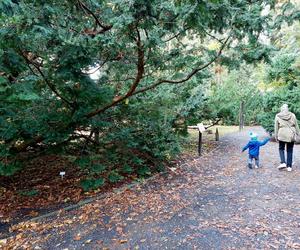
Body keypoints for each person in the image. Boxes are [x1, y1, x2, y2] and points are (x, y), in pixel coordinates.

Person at [275, 104, 300, 172]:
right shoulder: (292, 115)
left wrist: (276, 135)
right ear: (287, 108)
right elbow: (296, 125)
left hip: (282, 133)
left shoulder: (278, 115)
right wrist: (298, 133)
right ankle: (289, 167)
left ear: (281, 109)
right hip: (291, 134)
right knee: (290, 150)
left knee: (281, 148)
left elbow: (276, 126)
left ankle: (283, 162)